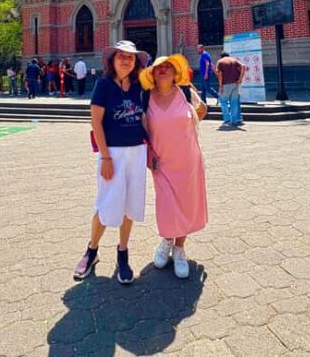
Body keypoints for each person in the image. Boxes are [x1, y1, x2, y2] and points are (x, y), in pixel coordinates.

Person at [74, 41, 149, 284]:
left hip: (137, 151)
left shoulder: (139, 86)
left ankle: (123, 253)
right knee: (106, 203)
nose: (126, 61)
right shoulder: (103, 85)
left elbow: (145, 118)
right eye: (121, 56)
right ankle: (92, 250)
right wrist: (105, 157)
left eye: (131, 57)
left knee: (130, 204)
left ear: (136, 62)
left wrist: (153, 149)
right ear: (112, 60)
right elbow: (96, 123)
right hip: (113, 154)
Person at [139, 54, 208, 278]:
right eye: (159, 67)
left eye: (168, 67)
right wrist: (148, 154)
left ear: (175, 72)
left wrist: (191, 124)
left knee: (186, 204)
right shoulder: (145, 97)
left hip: (188, 160)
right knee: (167, 205)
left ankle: (179, 248)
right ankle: (167, 240)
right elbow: (143, 129)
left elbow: (202, 109)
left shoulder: (186, 92)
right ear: (152, 73)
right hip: (162, 162)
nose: (163, 70)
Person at [215, 52, 245, 126]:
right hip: (235, 84)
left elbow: (220, 74)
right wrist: (240, 79)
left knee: (223, 102)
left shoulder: (220, 62)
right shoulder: (234, 60)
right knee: (234, 102)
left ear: (221, 56)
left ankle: (227, 120)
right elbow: (243, 66)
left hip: (225, 84)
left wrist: (220, 86)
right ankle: (234, 121)